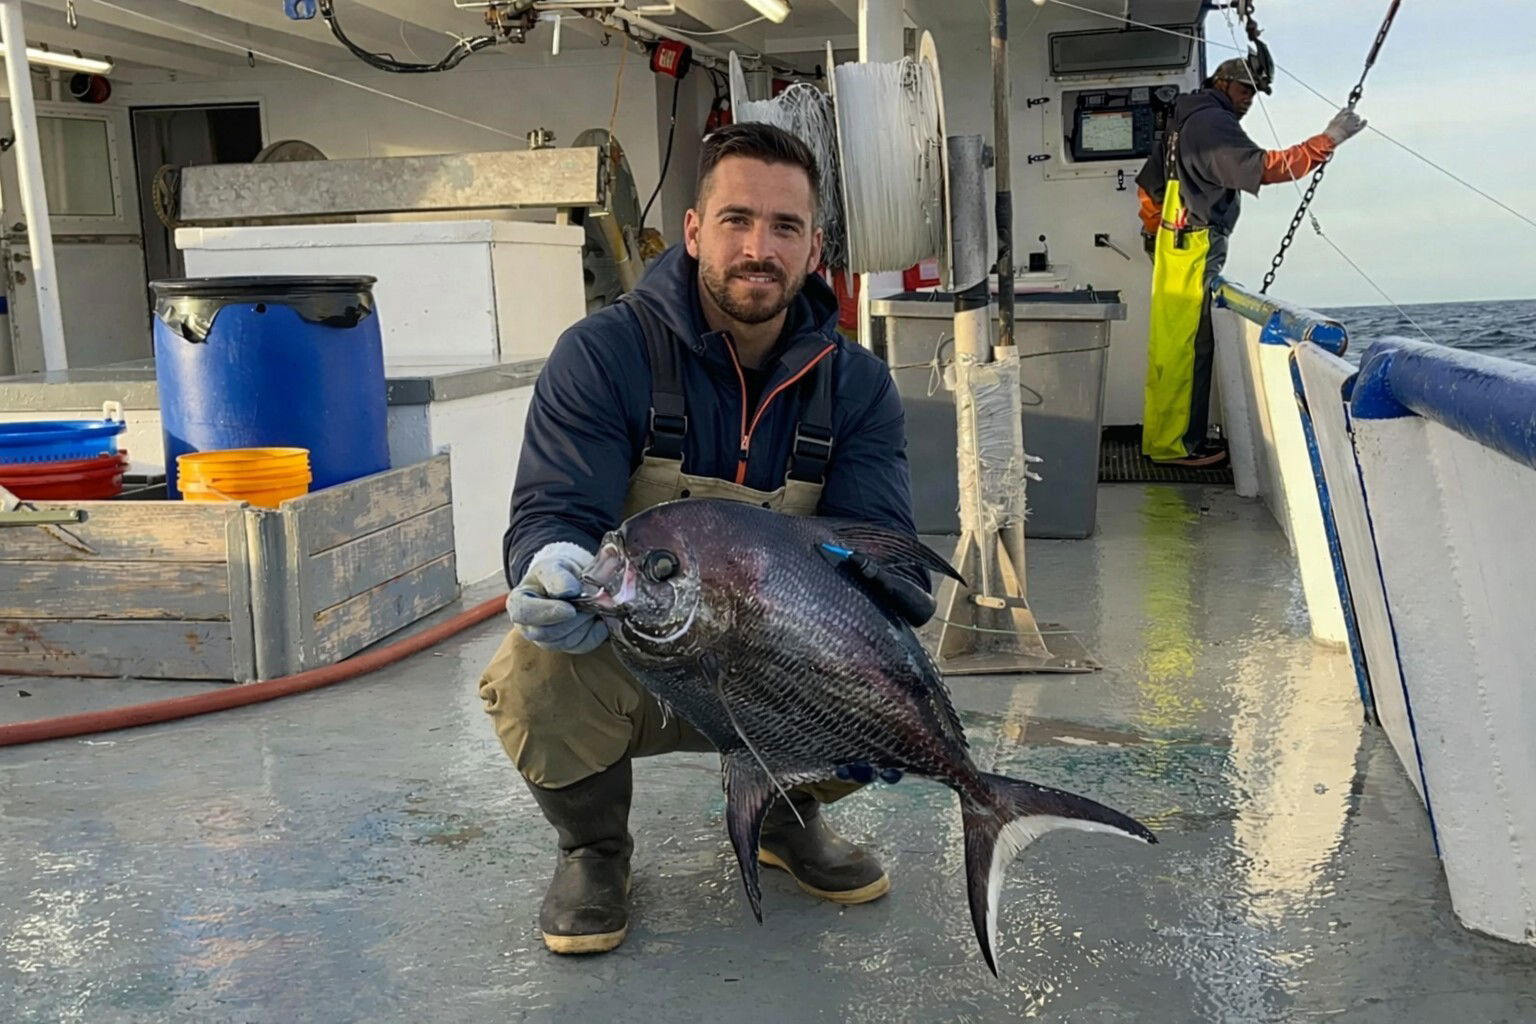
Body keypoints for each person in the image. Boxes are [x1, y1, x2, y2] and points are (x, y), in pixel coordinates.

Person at [477, 122, 924, 955]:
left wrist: (881, 623)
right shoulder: (604, 355)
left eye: (785, 227)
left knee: (892, 681)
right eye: (736, 220)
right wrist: (552, 563)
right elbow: (555, 507)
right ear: (692, 230)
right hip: (640, 656)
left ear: (815, 247)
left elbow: (884, 543)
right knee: (530, 671)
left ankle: (786, 815)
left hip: (775, 669)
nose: (759, 249)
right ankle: (593, 849)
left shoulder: (857, 386)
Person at [1135, 56, 1367, 467]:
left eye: (1254, 93)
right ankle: (1177, 447)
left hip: (1174, 243)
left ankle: (1164, 440)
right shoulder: (1211, 122)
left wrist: (1156, 235)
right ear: (1222, 83)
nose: (1249, 100)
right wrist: (1329, 140)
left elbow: (1148, 188)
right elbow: (1266, 168)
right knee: (1189, 347)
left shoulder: (1183, 118)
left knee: (1171, 348)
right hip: (1195, 244)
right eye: (1245, 90)